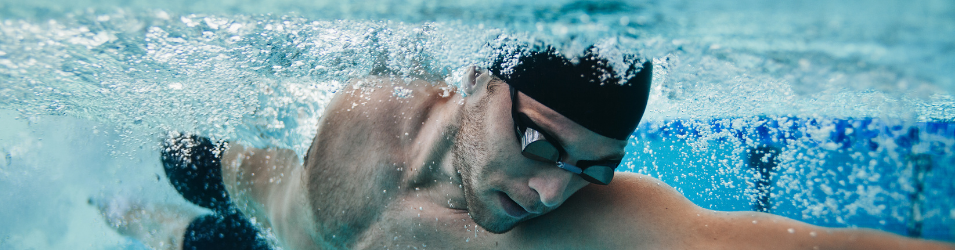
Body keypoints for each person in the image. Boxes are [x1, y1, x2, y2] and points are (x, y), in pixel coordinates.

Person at [95, 45, 955, 250]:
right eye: (539, 142)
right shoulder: (371, 94)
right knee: (183, 164)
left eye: (590, 169)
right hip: (258, 194)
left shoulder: (584, 226)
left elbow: (728, 241)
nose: (550, 195)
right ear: (473, 83)